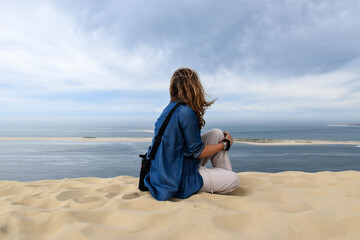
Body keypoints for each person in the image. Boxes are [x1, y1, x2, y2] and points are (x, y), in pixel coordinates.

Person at [144, 68, 240, 201]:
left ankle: (222, 177)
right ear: (193, 87)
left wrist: (222, 143)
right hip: (176, 178)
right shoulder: (186, 112)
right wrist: (225, 144)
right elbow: (197, 152)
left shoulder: (171, 108)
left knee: (217, 133)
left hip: (165, 171)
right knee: (234, 180)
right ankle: (223, 180)